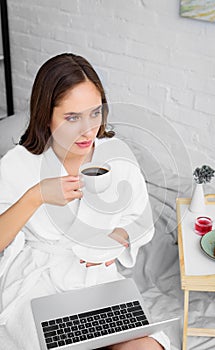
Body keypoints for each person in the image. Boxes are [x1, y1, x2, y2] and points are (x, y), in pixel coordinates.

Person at [0, 53, 170, 350]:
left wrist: (117, 238)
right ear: (46, 115)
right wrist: (36, 195)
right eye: (72, 118)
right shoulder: (18, 164)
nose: (88, 130)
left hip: (97, 280)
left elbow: (140, 221)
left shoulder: (116, 154)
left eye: (94, 113)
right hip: (37, 282)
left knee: (144, 347)